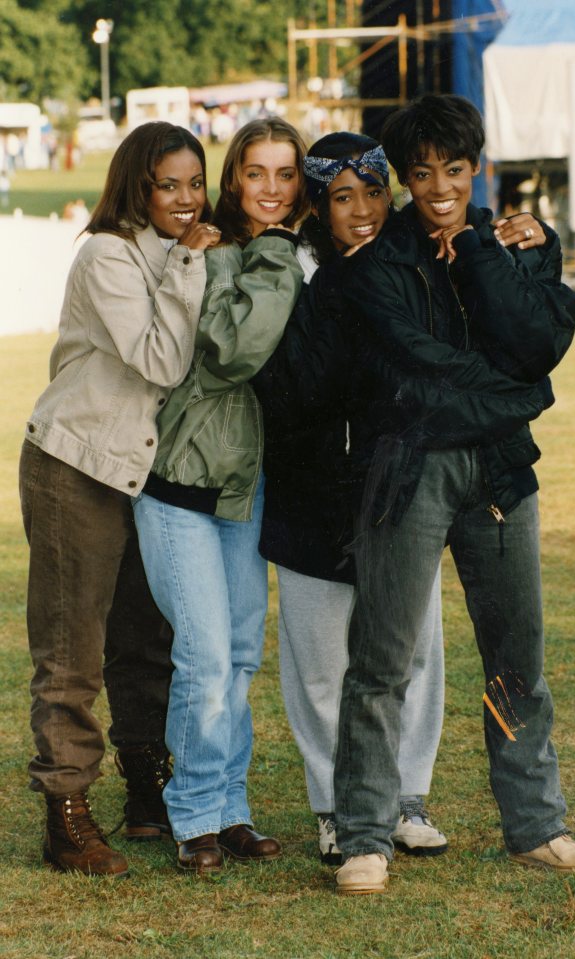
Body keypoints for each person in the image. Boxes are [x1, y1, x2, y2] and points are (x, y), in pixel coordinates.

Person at [330, 94, 575, 894]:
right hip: (408, 467)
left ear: (474, 168)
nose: (439, 186)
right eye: (421, 173)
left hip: (499, 473)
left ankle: (536, 825)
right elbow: (415, 373)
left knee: (517, 658)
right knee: (381, 659)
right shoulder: (378, 262)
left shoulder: (506, 241)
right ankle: (365, 837)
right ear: (405, 179)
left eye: (453, 169)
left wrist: (482, 253)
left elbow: (537, 340)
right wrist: (519, 395)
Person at [19, 122, 218, 876]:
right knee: (73, 651)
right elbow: (161, 359)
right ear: (137, 185)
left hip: (148, 472)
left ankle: (146, 791)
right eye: (168, 184)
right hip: (77, 464)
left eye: (195, 183)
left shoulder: (182, 250)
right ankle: (66, 812)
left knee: (147, 638)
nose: (184, 198)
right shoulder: (107, 254)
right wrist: (197, 263)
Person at [252, 132, 448, 865]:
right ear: (317, 203)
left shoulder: (413, 262)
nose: (360, 210)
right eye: (341, 196)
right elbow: (280, 385)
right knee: (320, 662)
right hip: (310, 494)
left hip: (400, 491)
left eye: (372, 191)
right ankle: (336, 806)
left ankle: (403, 796)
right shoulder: (289, 268)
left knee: (413, 649)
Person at [131, 118, 308, 877]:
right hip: (179, 483)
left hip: (246, 486)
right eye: (255, 173)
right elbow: (234, 350)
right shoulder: (216, 251)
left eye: (285, 175)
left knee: (237, 655)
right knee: (204, 655)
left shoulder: (287, 253)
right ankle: (195, 813)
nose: (270, 188)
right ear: (233, 177)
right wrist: (269, 254)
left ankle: (228, 805)